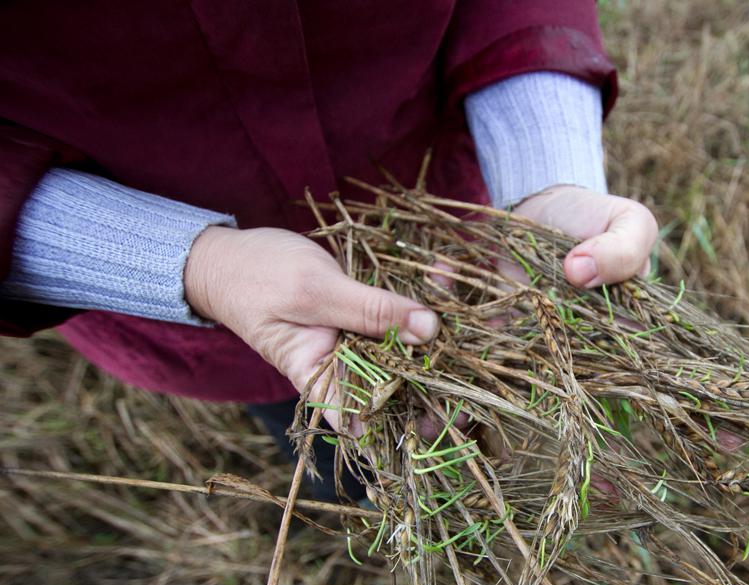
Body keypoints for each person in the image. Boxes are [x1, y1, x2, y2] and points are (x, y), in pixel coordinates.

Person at [0, 2, 657, 500]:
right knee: (347, 450)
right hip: (223, 325)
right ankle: (390, 508)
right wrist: (195, 266)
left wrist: (542, 178)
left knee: (498, 375)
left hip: (449, 217)